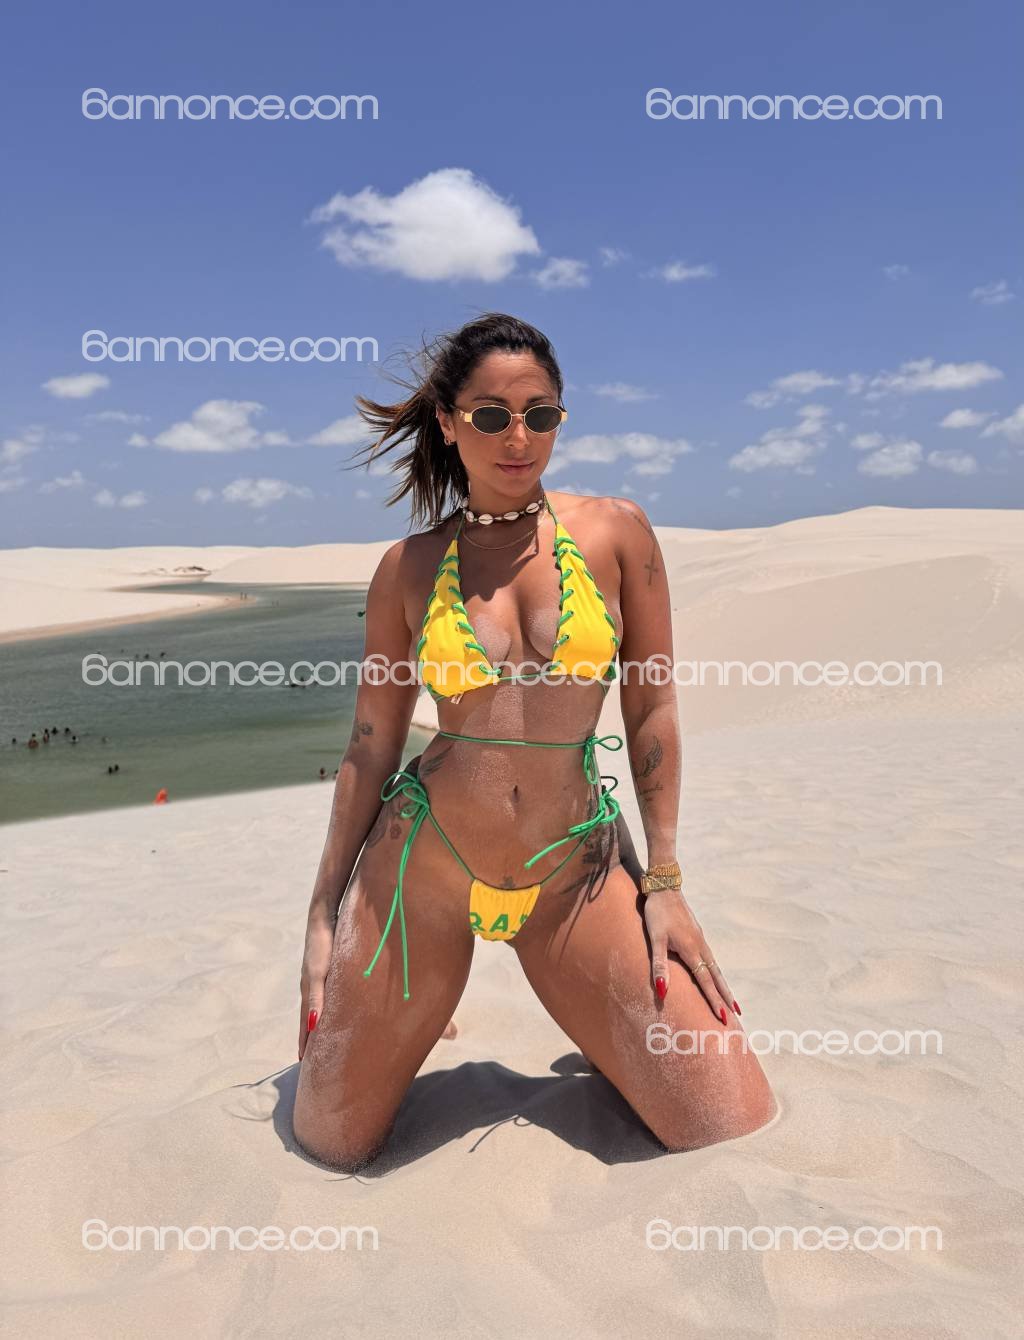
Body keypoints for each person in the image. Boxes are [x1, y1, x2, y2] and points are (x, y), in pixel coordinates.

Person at [292, 313, 775, 1169]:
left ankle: (599, 1029)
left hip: (572, 876)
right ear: (449, 423)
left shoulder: (617, 534)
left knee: (727, 1121)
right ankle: (413, 1016)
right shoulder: (408, 568)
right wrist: (323, 916)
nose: (519, 438)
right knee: (332, 1143)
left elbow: (652, 709)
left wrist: (663, 883)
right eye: (491, 416)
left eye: (540, 414)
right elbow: (371, 744)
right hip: (423, 874)